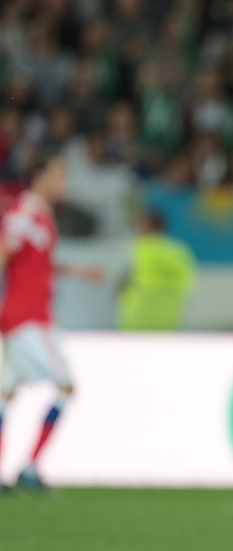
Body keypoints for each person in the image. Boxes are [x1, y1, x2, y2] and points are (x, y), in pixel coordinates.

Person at [0, 154, 103, 491]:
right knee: (66, 386)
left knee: (5, 394)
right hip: (27, 318)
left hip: (31, 316)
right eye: (59, 175)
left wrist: (77, 272)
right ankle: (30, 468)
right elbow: (4, 252)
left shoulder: (42, 214)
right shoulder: (25, 213)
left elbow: (35, 262)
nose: (64, 183)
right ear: (41, 176)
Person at [118, 211, 196, 331]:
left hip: (138, 315)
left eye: (141, 225)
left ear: (154, 226)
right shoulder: (179, 250)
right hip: (168, 317)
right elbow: (187, 280)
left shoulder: (138, 248)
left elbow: (125, 279)